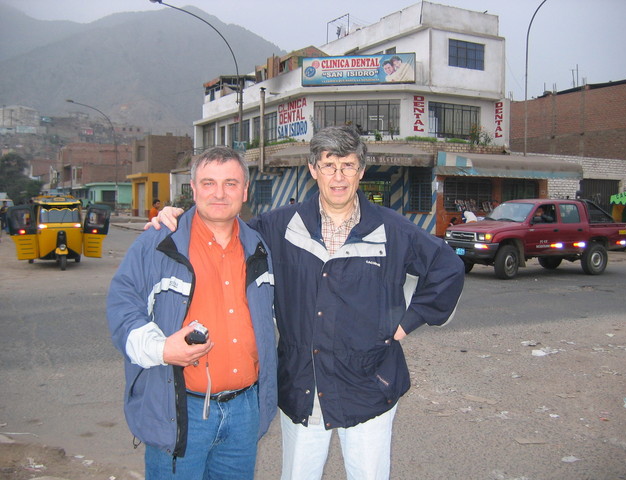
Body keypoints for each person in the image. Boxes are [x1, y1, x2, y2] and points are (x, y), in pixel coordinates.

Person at [152, 126, 465, 480]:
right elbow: (222, 231)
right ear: (313, 169)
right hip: (302, 384)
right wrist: (179, 219)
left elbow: (447, 268)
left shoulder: (390, 228)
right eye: (329, 165)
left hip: (369, 383)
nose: (338, 177)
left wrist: (410, 321)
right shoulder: (279, 226)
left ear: (361, 171)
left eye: (348, 166)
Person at [107, 146, 277, 480]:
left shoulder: (259, 245)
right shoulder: (159, 242)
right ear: (194, 188)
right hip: (180, 408)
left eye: (230, 183)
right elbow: (121, 304)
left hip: (245, 410)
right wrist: (161, 348)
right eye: (209, 183)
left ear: (244, 190)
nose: (219, 193)